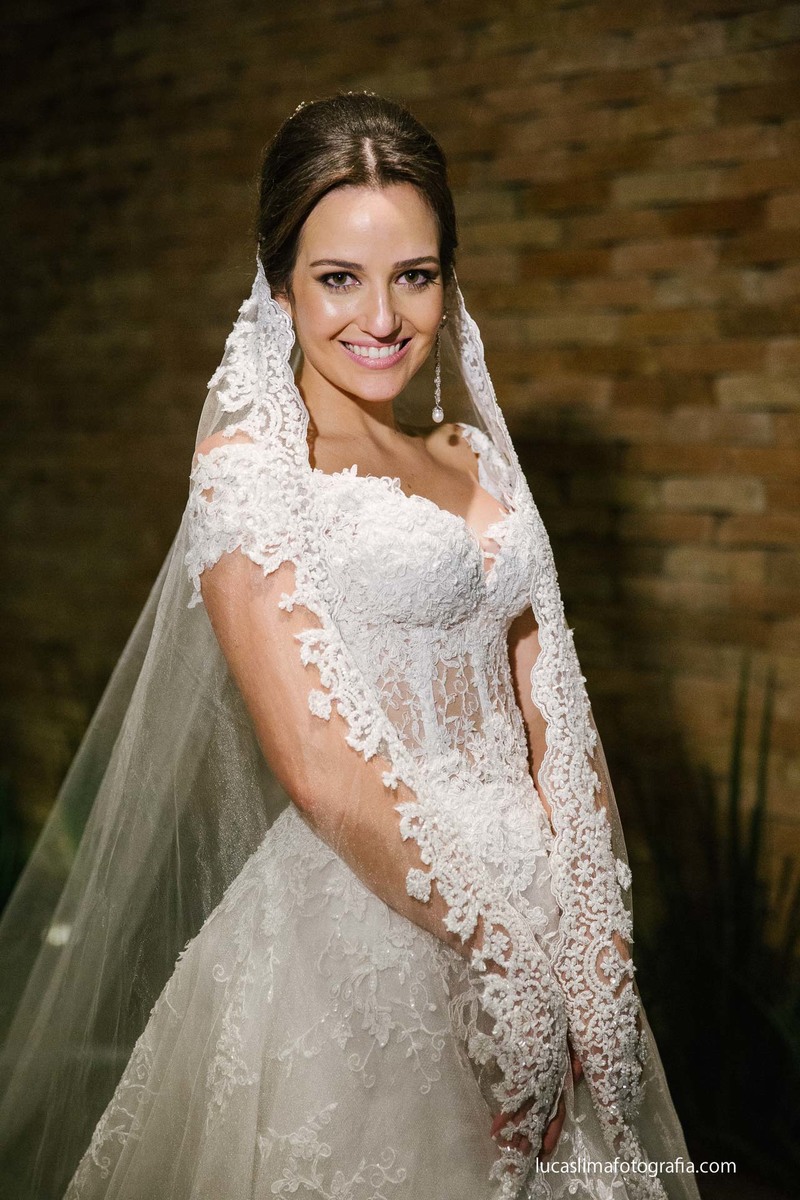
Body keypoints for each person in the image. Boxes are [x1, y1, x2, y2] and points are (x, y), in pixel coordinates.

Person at [0, 93, 702, 1200]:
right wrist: (503, 965)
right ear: (278, 284)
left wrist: (594, 960)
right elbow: (320, 773)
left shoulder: (472, 456)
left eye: (413, 275)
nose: (380, 315)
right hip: (369, 941)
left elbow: (552, 716)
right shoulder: (252, 476)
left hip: (544, 909)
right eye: (338, 277)